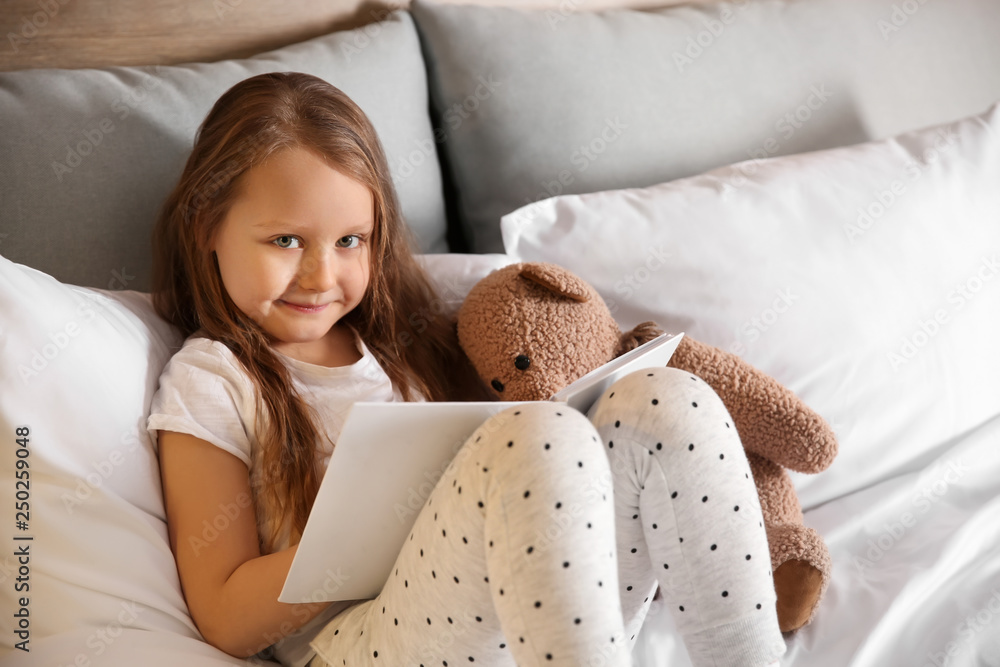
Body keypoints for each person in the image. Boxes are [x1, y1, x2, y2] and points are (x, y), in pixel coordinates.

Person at [147, 71, 786, 667]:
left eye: (350, 242)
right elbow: (224, 616)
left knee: (665, 398)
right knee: (535, 437)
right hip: (359, 643)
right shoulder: (213, 378)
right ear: (207, 225)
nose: (321, 276)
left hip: (533, 613)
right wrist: (374, 531)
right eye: (285, 240)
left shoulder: (402, 346)